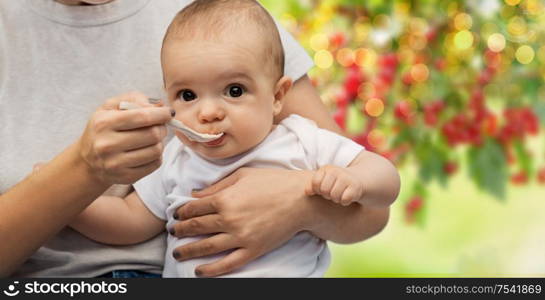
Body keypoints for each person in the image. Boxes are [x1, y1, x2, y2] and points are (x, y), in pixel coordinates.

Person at [0, 0, 399, 278]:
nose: (208, 112)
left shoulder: (299, 140)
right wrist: (67, 187)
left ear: (277, 96)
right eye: (187, 96)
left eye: (235, 91)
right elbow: (131, 221)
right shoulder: (176, 158)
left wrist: (336, 188)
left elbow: (378, 187)